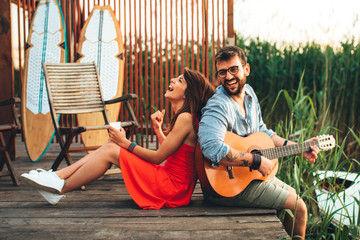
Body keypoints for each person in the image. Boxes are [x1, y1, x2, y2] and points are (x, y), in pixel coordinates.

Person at [21, 68, 215, 209]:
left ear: (188, 93)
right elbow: (174, 154)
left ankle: (57, 183)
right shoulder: (185, 117)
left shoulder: (185, 118)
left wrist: (125, 143)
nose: (172, 80)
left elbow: (158, 157)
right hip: (172, 183)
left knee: (114, 148)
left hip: (171, 187)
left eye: (179, 80)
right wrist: (158, 130)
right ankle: (56, 179)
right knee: (111, 146)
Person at [197, 46, 320, 239]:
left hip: (246, 179)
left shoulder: (250, 95)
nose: (228, 76)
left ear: (246, 69)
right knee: (300, 207)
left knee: (294, 196)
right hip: (225, 187)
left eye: (233, 69)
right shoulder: (218, 106)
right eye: (222, 72)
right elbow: (211, 148)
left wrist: (298, 148)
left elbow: (263, 132)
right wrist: (256, 161)